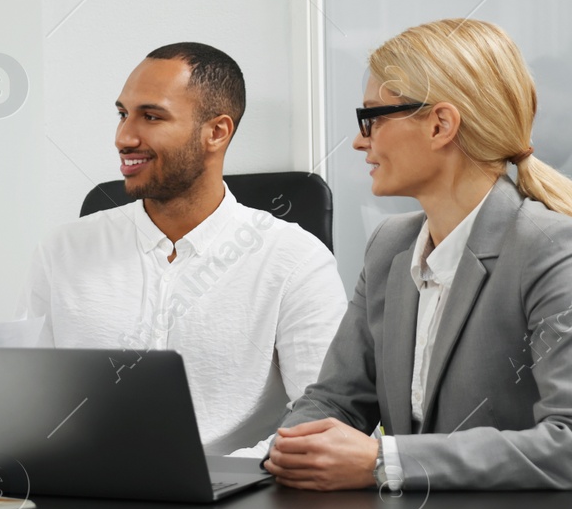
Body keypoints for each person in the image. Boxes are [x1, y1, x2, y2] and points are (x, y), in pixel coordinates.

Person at [268, 19, 572, 491]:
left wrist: (384, 459)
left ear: (440, 125)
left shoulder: (553, 250)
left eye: (373, 118)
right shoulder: (390, 246)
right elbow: (338, 399)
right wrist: (295, 443)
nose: (361, 140)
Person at [21, 43, 347, 455]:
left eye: (151, 117)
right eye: (123, 114)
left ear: (217, 132)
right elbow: (26, 407)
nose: (124, 137)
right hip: (83, 498)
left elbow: (326, 425)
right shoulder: (61, 252)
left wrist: (219, 478)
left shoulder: (295, 259)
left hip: (236, 500)